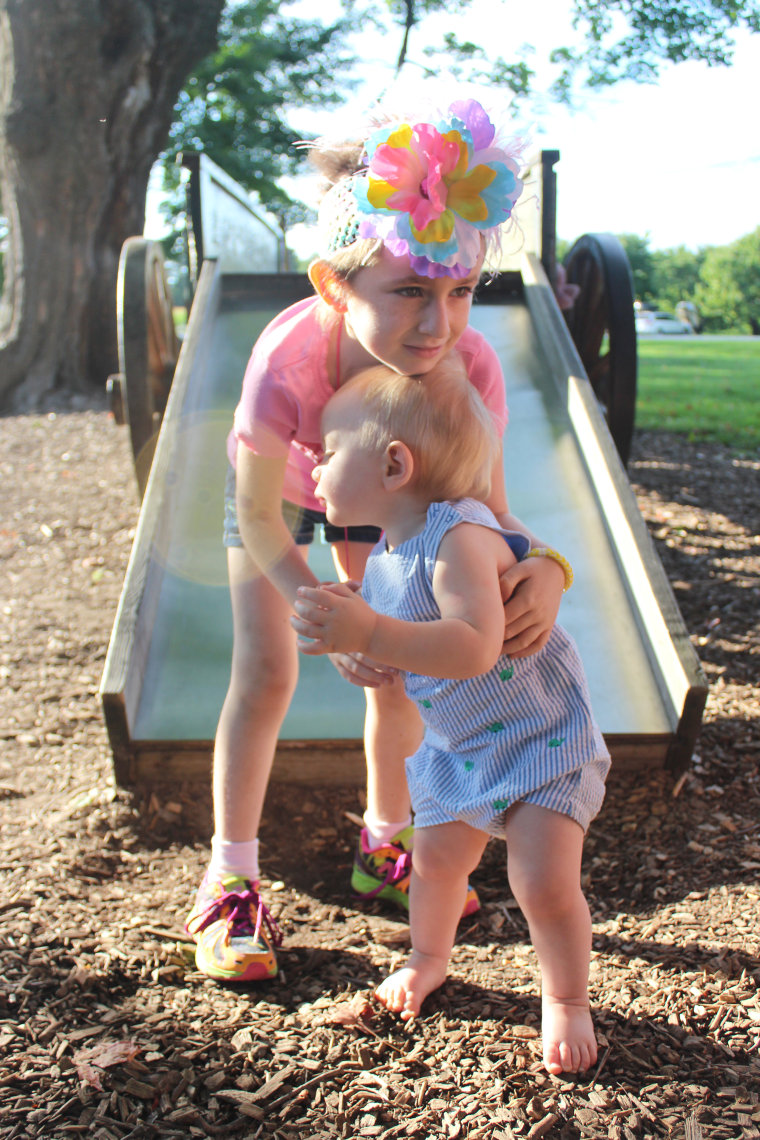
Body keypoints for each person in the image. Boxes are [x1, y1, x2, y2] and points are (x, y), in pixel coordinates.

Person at [184, 95, 571, 985]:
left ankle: (386, 846)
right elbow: (253, 513)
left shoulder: (464, 368)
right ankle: (230, 876)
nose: (437, 325)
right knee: (268, 669)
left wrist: (547, 568)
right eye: (408, 292)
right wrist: (319, 606)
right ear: (334, 286)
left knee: (401, 673)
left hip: (391, 502)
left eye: (459, 292)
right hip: (282, 503)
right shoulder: (287, 362)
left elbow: (495, 513)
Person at [291, 360, 611, 1076]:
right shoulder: (381, 557)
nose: (314, 469)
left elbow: (471, 647)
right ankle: (429, 958)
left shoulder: (461, 534)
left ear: (395, 465)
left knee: (542, 882)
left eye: (329, 452)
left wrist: (373, 634)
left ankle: (565, 998)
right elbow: (402, 644)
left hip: (537, 739)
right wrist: (362, 646)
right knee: (433, 862)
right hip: (459, 748)